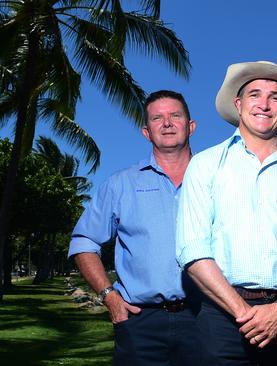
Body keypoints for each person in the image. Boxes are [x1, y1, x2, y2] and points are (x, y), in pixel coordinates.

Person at [175, 61, 277, 365]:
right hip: (221, 319)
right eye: (254, 95)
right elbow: (192, 251)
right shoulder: (205, 165)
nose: (264, 104)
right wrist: (243, 313)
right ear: (238, 104)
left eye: (275, 97)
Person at [68, 90, 200, 365]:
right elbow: (84, 242)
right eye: (157, 118)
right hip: (140, 321)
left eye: (175, 116)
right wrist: (109, 296)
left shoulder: (216, 180)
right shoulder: (121, 184)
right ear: (146, 132)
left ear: (191, 126)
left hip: (204, 319)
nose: (167, 123)